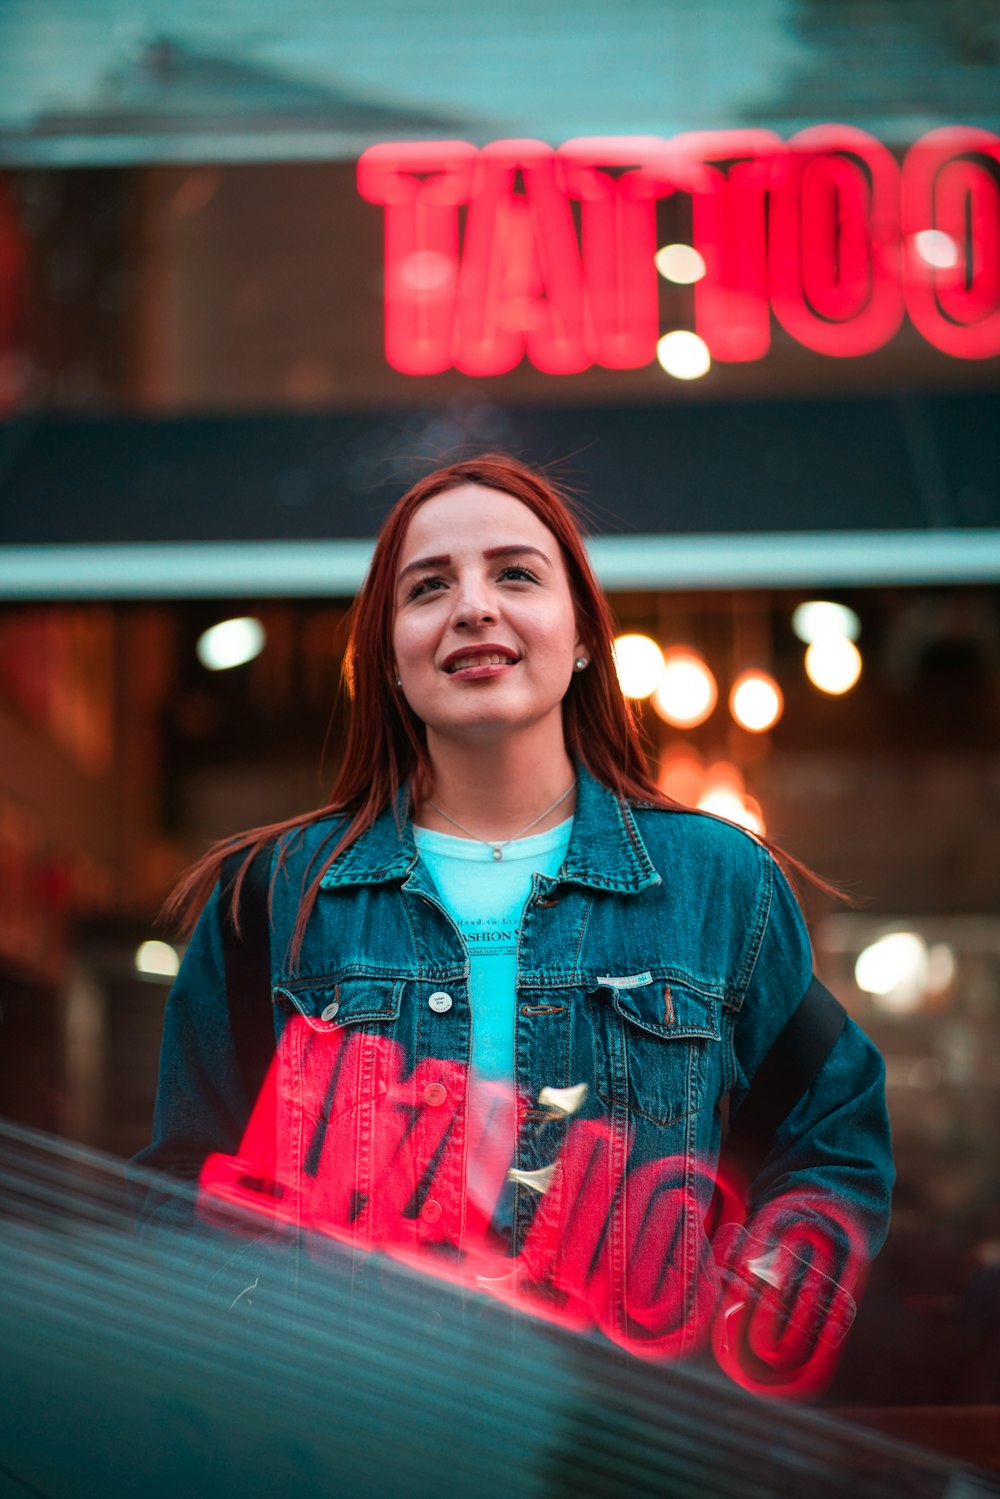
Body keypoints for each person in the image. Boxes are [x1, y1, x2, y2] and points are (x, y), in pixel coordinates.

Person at [133, 453, 893, 1391]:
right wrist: (261, 1362)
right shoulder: (276, 896)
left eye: (516, 573)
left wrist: (739, 1326)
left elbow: (834, 1128)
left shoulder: (716, 881)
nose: (474, 606)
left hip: (620, 1456)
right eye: (429, 587)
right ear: (390, 659)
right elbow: (183, 1182)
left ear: (580, 636)